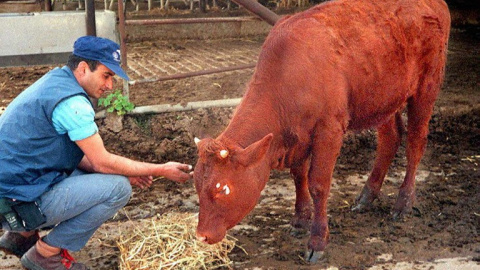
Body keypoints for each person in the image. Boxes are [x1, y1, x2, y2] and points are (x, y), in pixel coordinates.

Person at [0, 36, 193, 270]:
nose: (110, 86)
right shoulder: (73, 104)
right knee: (118, 189)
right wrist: (160, 169)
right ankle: (46, 254)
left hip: (13, 189)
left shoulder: (54, 82)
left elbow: (81, 156)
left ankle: (21, 236)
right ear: (83, 68)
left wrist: (122, 170)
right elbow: (102, 162)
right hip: (16, 200)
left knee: (103, 175)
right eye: (106, 75)